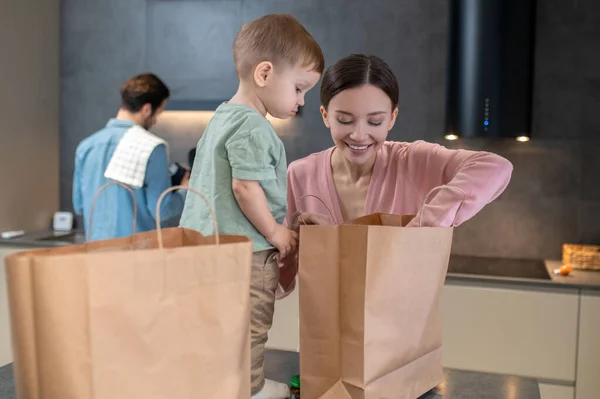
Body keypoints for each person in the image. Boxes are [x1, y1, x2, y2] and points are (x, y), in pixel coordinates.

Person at [278, 54, 514, 297]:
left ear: (392, 118)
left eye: (375, 121)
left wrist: (427, 223)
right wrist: (291, 245)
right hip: (326, 327)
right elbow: (282, 282)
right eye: (345, 120)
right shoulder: (300, 174)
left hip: (400, 327)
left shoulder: (413, 160)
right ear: (325, 115)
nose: (359, 135)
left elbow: (495, 166)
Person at [179, 14, 324, 399]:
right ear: (264, 74)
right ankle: (250, 389)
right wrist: (277, 232)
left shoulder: (222, 118)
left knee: (213, 326)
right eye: (299, 88)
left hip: (203, 246)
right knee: (250, 325)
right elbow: (245, 187)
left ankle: (215, 387)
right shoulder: (253, 126)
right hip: (245, 251)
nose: (301, 100)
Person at [73, 73, 189, 241]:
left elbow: (80, 206)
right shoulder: (152, 147)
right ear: (147, 109)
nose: (155, 120)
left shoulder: (86, 146)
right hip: (138, 255)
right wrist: (185, 191)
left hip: (96, 253)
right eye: (158, 113)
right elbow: (161, 210)